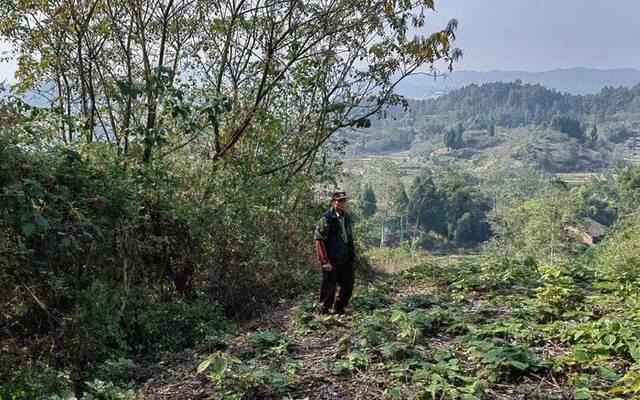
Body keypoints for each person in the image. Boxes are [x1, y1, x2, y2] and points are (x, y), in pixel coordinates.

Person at [314, 190, 357, 315]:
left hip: (345, 256)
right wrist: (324, 261)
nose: (342, 203)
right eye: (339, 201)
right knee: (329, 286)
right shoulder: (326, 219)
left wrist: (351, 254)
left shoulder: (346, 217)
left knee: (348, 284)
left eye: (344, 201)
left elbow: (348, 237)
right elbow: (319, 240)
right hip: (331, 258)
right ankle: (324, 310)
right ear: (333, 202)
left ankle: (339, 308)